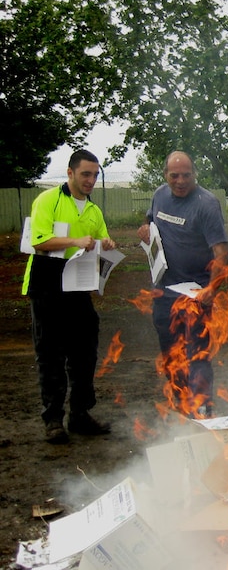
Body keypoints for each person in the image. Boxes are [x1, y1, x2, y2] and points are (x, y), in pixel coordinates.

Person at [22, 149, 117, 443]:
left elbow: (101, 239)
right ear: (70, 173)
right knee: (50, 355)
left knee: (85, 353)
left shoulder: (93, 210)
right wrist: (76, 240)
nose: (90, 180)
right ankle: (53, 420)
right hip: (47, 287)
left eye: (95, 175)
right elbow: (39, 242)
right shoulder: (48, 200)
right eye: (85, 174)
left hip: (78, 287)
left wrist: (107, 242)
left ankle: (80, 414)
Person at [137, 151, 228, 417]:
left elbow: (222, 253)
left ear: (194, 174)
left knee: (197, 352)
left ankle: (202, 407)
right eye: (174, 175)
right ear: (165, 174)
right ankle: (179, 399)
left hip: (196, 292)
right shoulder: (159, 195)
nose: (180, 181)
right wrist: (145, 230)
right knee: (169, 349)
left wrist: (213, 288)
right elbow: (150, 222)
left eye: (186, 175)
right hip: (164, 290)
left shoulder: (206, 204)